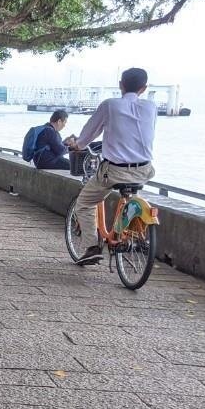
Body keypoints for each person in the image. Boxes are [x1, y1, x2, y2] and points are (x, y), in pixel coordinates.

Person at [68, 67, 156, 266]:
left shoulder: (110, 105)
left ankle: (92, 247)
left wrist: (78, 144)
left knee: (85, 203)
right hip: (144, 170)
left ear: (120, 85)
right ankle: (125, 229)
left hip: (115, 171)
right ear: (144, 88)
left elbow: (89, 133)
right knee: (130, 191)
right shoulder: (151, 107)